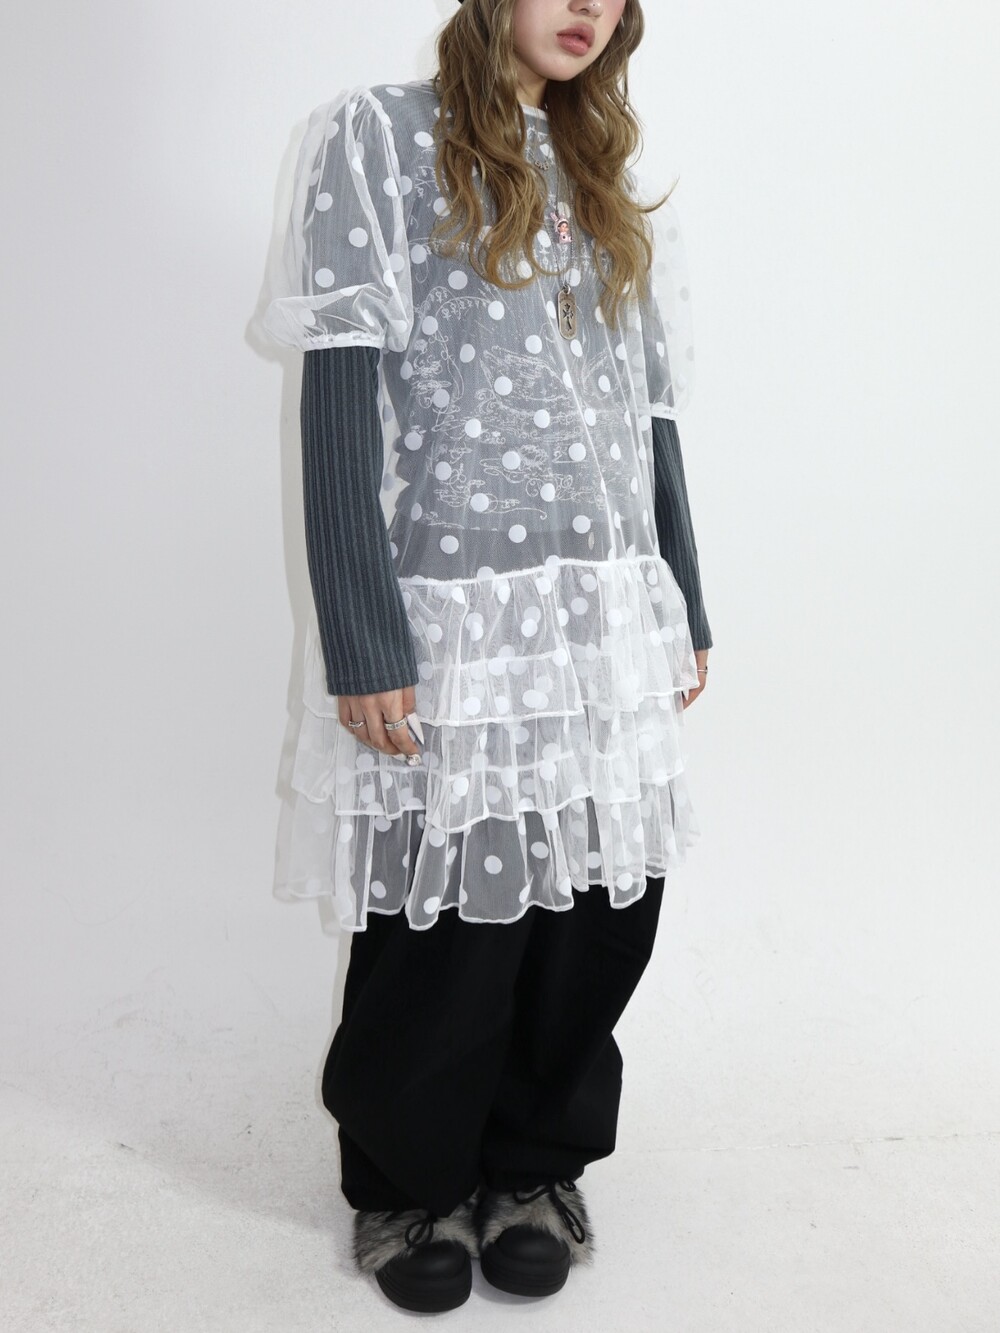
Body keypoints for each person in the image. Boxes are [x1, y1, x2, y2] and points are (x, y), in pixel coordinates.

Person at [262, 0, 713, 1314]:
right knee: (451, 912)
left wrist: (683, 601)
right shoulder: (380, 137)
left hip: (606, 607)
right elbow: (340, 384)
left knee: (598, 908)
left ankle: (535, 1165)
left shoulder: (611, 169)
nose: (588, 7)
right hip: (457, 607)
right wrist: (362, 629)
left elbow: (649, 408)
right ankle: (408, 1181)